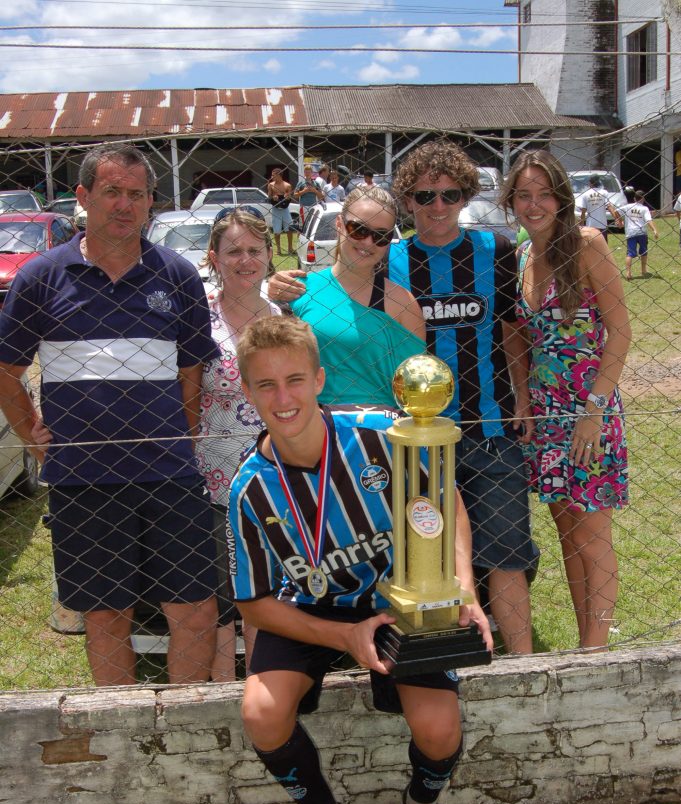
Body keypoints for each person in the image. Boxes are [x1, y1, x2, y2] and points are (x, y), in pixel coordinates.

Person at [227, 315, 492, 804]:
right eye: (266, 385)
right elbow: (256, 604)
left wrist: (462, 586)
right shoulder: (249, 488)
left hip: (399, 601)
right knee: (262, 713)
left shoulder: (382, 433)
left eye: (295, 380)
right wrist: (345, 637)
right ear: (247, 392)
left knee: (439, 728)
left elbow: (446, 503)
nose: (283, 398)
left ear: (320, 379)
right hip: (311, 612)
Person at [268, 141, 535, 655]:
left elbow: (510, 330)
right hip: (395, 441)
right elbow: (320, 313)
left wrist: (521, 397)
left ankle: (520, 660)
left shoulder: (496, 251)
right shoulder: (390, 261)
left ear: (466, 197)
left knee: (504, 550)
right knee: (402, 549)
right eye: (426, 195)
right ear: (409, 201)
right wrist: (275, 284)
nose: (438, 205)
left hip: (486, 425)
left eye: (450, 194)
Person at [0, 142, 219, 687]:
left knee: (195, 611)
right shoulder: (41, 277)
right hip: (84, 479)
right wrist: (31, 435)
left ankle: (186, 724)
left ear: (150, 202)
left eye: (137, 194)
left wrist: (184, 433)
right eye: (112, 191)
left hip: (170, 475)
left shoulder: (178, 275)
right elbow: (6, 370)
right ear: (83, 196)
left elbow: (191, 370)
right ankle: (121, 724)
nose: (125, 205)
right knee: (106, 617)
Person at [500, 150, 631, 650]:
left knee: (593, 537)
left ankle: (596, 652)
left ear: (561, 198)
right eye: (523, 195)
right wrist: (523, 399)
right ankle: (584, 644)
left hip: (590, 411)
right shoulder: (520, 258)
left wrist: (593, 412)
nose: (534, 205)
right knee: (568, 536)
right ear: (511, 201)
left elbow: (620, 332)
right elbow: (515, 337)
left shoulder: (587, 245)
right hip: (546, 414)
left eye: (544, 194)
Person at [196, 207, 281, 681]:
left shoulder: (285, 317)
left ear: (269, 254)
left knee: (263, 587)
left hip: (273, 478)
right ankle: (221, 687)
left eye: (254, 250)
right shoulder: (198, 317)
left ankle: (261, 679)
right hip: (213, 476)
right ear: (214, 257)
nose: (245, 260)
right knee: (219, 592)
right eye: (233, 251)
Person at [288, 186, 426, 407]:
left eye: (381, 236)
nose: (368, 242)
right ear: (339, 224)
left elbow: (415, 389)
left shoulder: (402, 304)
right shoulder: (299, 291)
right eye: (358, 229)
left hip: (381, 424)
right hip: (314, 422)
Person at [619, 190, 659, 280]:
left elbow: (616, 211)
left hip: (631, 232)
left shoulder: (628, 207)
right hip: (642, 233)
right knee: (644, 251)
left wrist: (619, 220)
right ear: (643, 198)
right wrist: (654, 230)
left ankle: (628, 273)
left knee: (630, 253)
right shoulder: (644, 208)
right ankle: (643, 270)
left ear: (634, 198)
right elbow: (648, 220)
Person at [266, 168, 294, 257]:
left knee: (289, 228)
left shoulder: (287, 185)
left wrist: (287, 197)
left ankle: (290, 248)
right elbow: (268, 197)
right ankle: (278, 250)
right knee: (276, 230)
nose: (272, 177)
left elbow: (290, 198)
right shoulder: (271, 185)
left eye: (273, 175)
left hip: (285, 209)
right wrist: (273, 198)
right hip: (275, 209)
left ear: (279, 175)